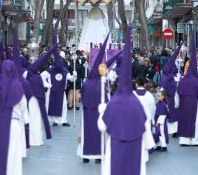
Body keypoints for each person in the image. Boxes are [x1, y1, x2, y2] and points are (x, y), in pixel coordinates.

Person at [98, 26, 152, 175]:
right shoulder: (137, 103)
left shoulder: (113, 102)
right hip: (137, 146)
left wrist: (102, 110)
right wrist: (148, 146)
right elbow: (145, 125)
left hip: (115, 144)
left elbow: (102, 127)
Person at [78, 34, 121, 164]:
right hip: (98, 111)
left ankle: (85, 155)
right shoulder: (103, 83)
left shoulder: (86, 83)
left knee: (85, 133)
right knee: (99, 132)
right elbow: (107, 97)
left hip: (86, 112)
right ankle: (98, 155)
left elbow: (81, 95)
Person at [26, 45, 58, 146]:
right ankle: (33, 140)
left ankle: (36, 139)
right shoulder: (32, 75)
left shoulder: (35, 75)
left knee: (37, 120)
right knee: (34, 120)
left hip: (36, 101)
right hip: (32, 101)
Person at [177, 34, 198, 146]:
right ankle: (195, 140)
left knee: (184, 119)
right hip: (195, 103)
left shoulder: (183, 80)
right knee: (195, 120)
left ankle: (184, 140)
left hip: (184, 103)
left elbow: (178, 92)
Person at [47, 38, 76, 127]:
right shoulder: (51, 70)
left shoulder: (63, 71)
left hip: (60, 91)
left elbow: (71, 79)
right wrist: (48, 84)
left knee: (62, 106)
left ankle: (63, 120)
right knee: (54, 106)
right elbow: (42, 76)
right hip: (53, 91)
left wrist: (74, 75)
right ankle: (55, 120)